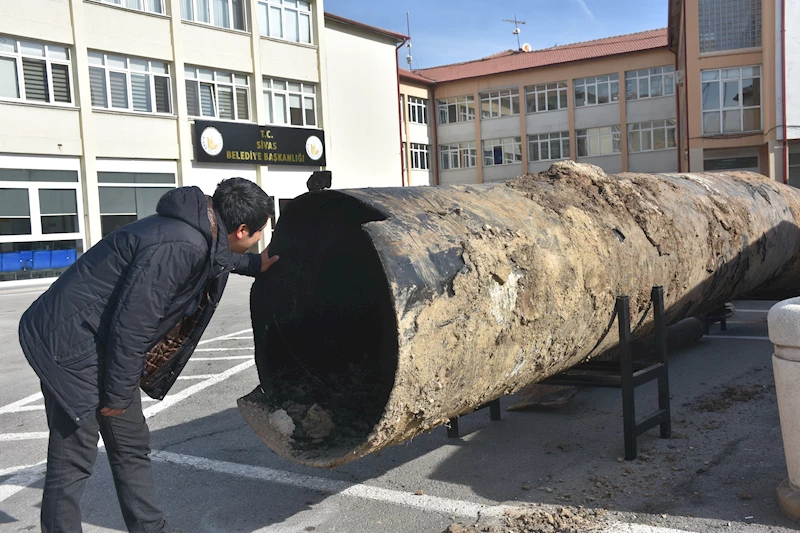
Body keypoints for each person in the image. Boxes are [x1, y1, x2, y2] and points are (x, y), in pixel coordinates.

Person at [18, 178, 279, 533]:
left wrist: (254, 265)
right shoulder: (180, 245)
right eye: (259, 233)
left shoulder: (198, 230)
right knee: (73, 459)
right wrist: (116, 396)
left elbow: (218, 255)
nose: (259, 239)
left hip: (102, 344)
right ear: (242, 228)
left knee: (131, 443)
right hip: (69, 347)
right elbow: (132, 326)